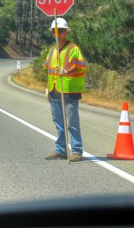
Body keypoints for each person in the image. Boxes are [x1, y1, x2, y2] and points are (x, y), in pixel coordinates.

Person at [43, 17, 87, 162]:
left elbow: (80, 67)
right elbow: (47, 68)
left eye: (60, 31)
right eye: (55, 31)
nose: (57, 34)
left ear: (65, 32)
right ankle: (61, 149)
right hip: (54, 90)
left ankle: (76, 151)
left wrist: (66, 71)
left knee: (72, 123)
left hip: (69, 91)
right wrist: (47, 87)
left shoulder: (73, 49)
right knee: (59, 123)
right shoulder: (52, 50)